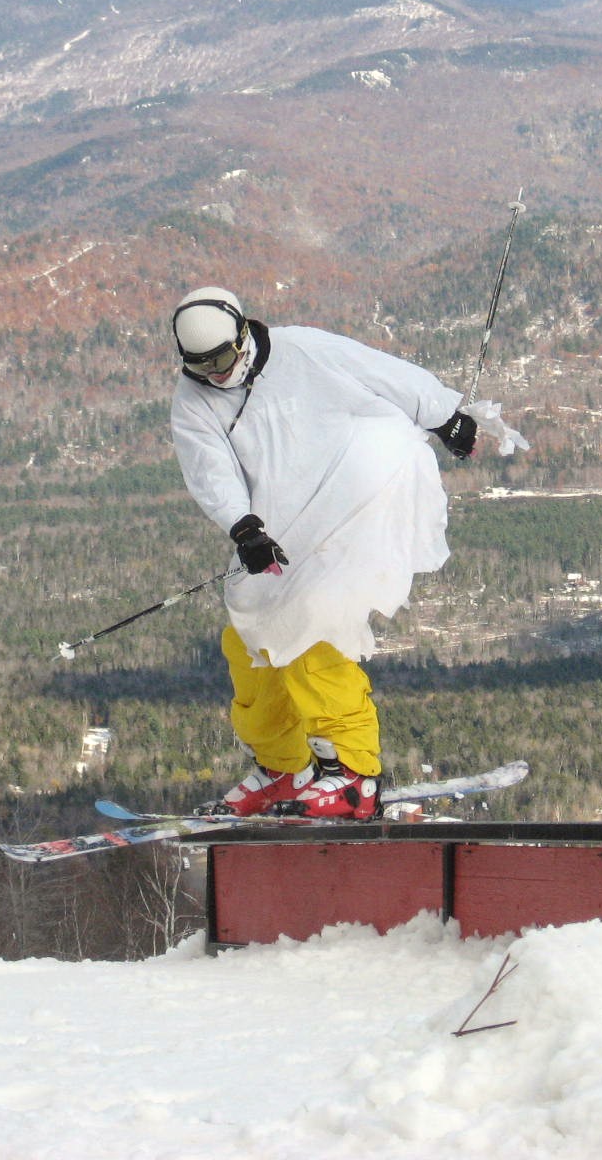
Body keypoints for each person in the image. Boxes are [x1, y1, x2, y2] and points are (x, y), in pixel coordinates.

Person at [168, 286, 477, 819]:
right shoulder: (194, 398)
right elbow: (209, 468)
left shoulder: (304, 350)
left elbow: (384, 373)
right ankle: (285, 767)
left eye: (221, 360)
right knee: (249, 645)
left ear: (242, 334)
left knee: (313, 636)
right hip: (278, 533)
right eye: (200, 367)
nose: (215, 375)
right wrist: (243, 528)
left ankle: (355, 776)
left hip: (348, 514)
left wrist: (444, 415)